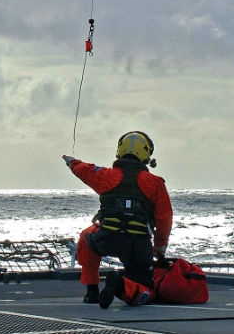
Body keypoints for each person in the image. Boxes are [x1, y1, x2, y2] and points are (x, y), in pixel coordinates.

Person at [62, 130, 172, 306]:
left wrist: (72, 162)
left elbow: (84, 170)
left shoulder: (105, 175)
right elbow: (164, 219)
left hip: (107, 239)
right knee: (145, 292)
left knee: (86, 237)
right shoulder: (155, 183)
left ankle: (92, 291)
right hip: (138, 245)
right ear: (146, 154)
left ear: (120, 151)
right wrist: (159, 250)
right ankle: (120, 284)